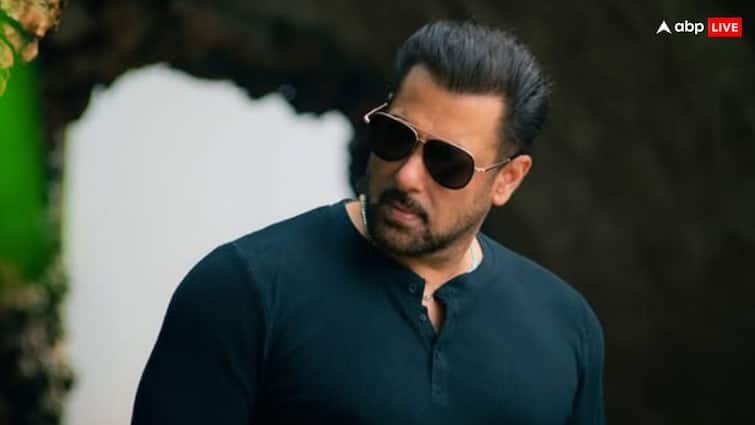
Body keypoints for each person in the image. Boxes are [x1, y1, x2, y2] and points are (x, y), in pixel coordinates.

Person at [131, 20, 605, 424]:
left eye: (447, 163)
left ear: (507, 180)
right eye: (395, 136)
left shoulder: (566, 327)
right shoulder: (242, 291)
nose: (407, 176)